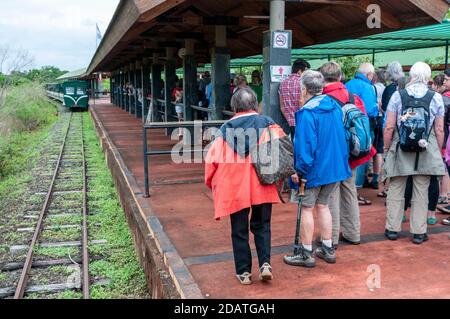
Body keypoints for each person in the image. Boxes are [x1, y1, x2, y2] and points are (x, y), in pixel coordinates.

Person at [205, 88, 284, 285]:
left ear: (234, 107)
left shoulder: (224, 131)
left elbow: (211, 162)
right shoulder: (270, 126)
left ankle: (244, 273)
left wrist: (212, 183)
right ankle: (265, 263)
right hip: (263, 184)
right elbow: (283, 155)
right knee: (263, 225)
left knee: (239, 230)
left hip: (234, 188)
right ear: (255, 104)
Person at [283, 70, 351, 267]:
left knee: (306, 208)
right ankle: (328, 248)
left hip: (314, 169)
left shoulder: (307, 112)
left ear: (304, 89)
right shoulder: (335, 106)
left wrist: (299, 171)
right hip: (335, 167)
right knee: (323, 206)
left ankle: (305, 253)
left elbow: (306, 146)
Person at [383, 62, 445, 245]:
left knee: (396, 187)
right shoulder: (436, 97)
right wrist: (437, 150)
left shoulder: (397, 95)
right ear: (428, 77)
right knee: (421, 189)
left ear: (411, 76)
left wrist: (386, 149)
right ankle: (419, 232)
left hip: (401, 145)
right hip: (425, 146)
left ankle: (392, 229)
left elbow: (389, 126)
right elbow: (439, 129)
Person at [320, 62, 376, 247]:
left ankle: (331, 237)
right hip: (354, 153)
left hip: (333, 155)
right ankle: (353, 233)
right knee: (350, 191)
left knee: (331, 195)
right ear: (340, 76)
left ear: (322, 77)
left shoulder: (322, 99)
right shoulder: (353, 97)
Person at [346, 63, 380, 196]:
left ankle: (349, 187)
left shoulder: (348, 84)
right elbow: (370, 110)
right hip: (362, 126)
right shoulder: (367, 87)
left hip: (346, 124)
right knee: (362, 154)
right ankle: (356, 189)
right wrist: (378, 107)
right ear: (369, 74)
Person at [279, 58, 310, 137]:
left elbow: (282, 107)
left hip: (290, 123)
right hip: (302, 122)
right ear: (300, 71)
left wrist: (290, 119)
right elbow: (301, 102)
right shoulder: (303, 83)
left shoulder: (282, 83)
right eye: (306, 71)